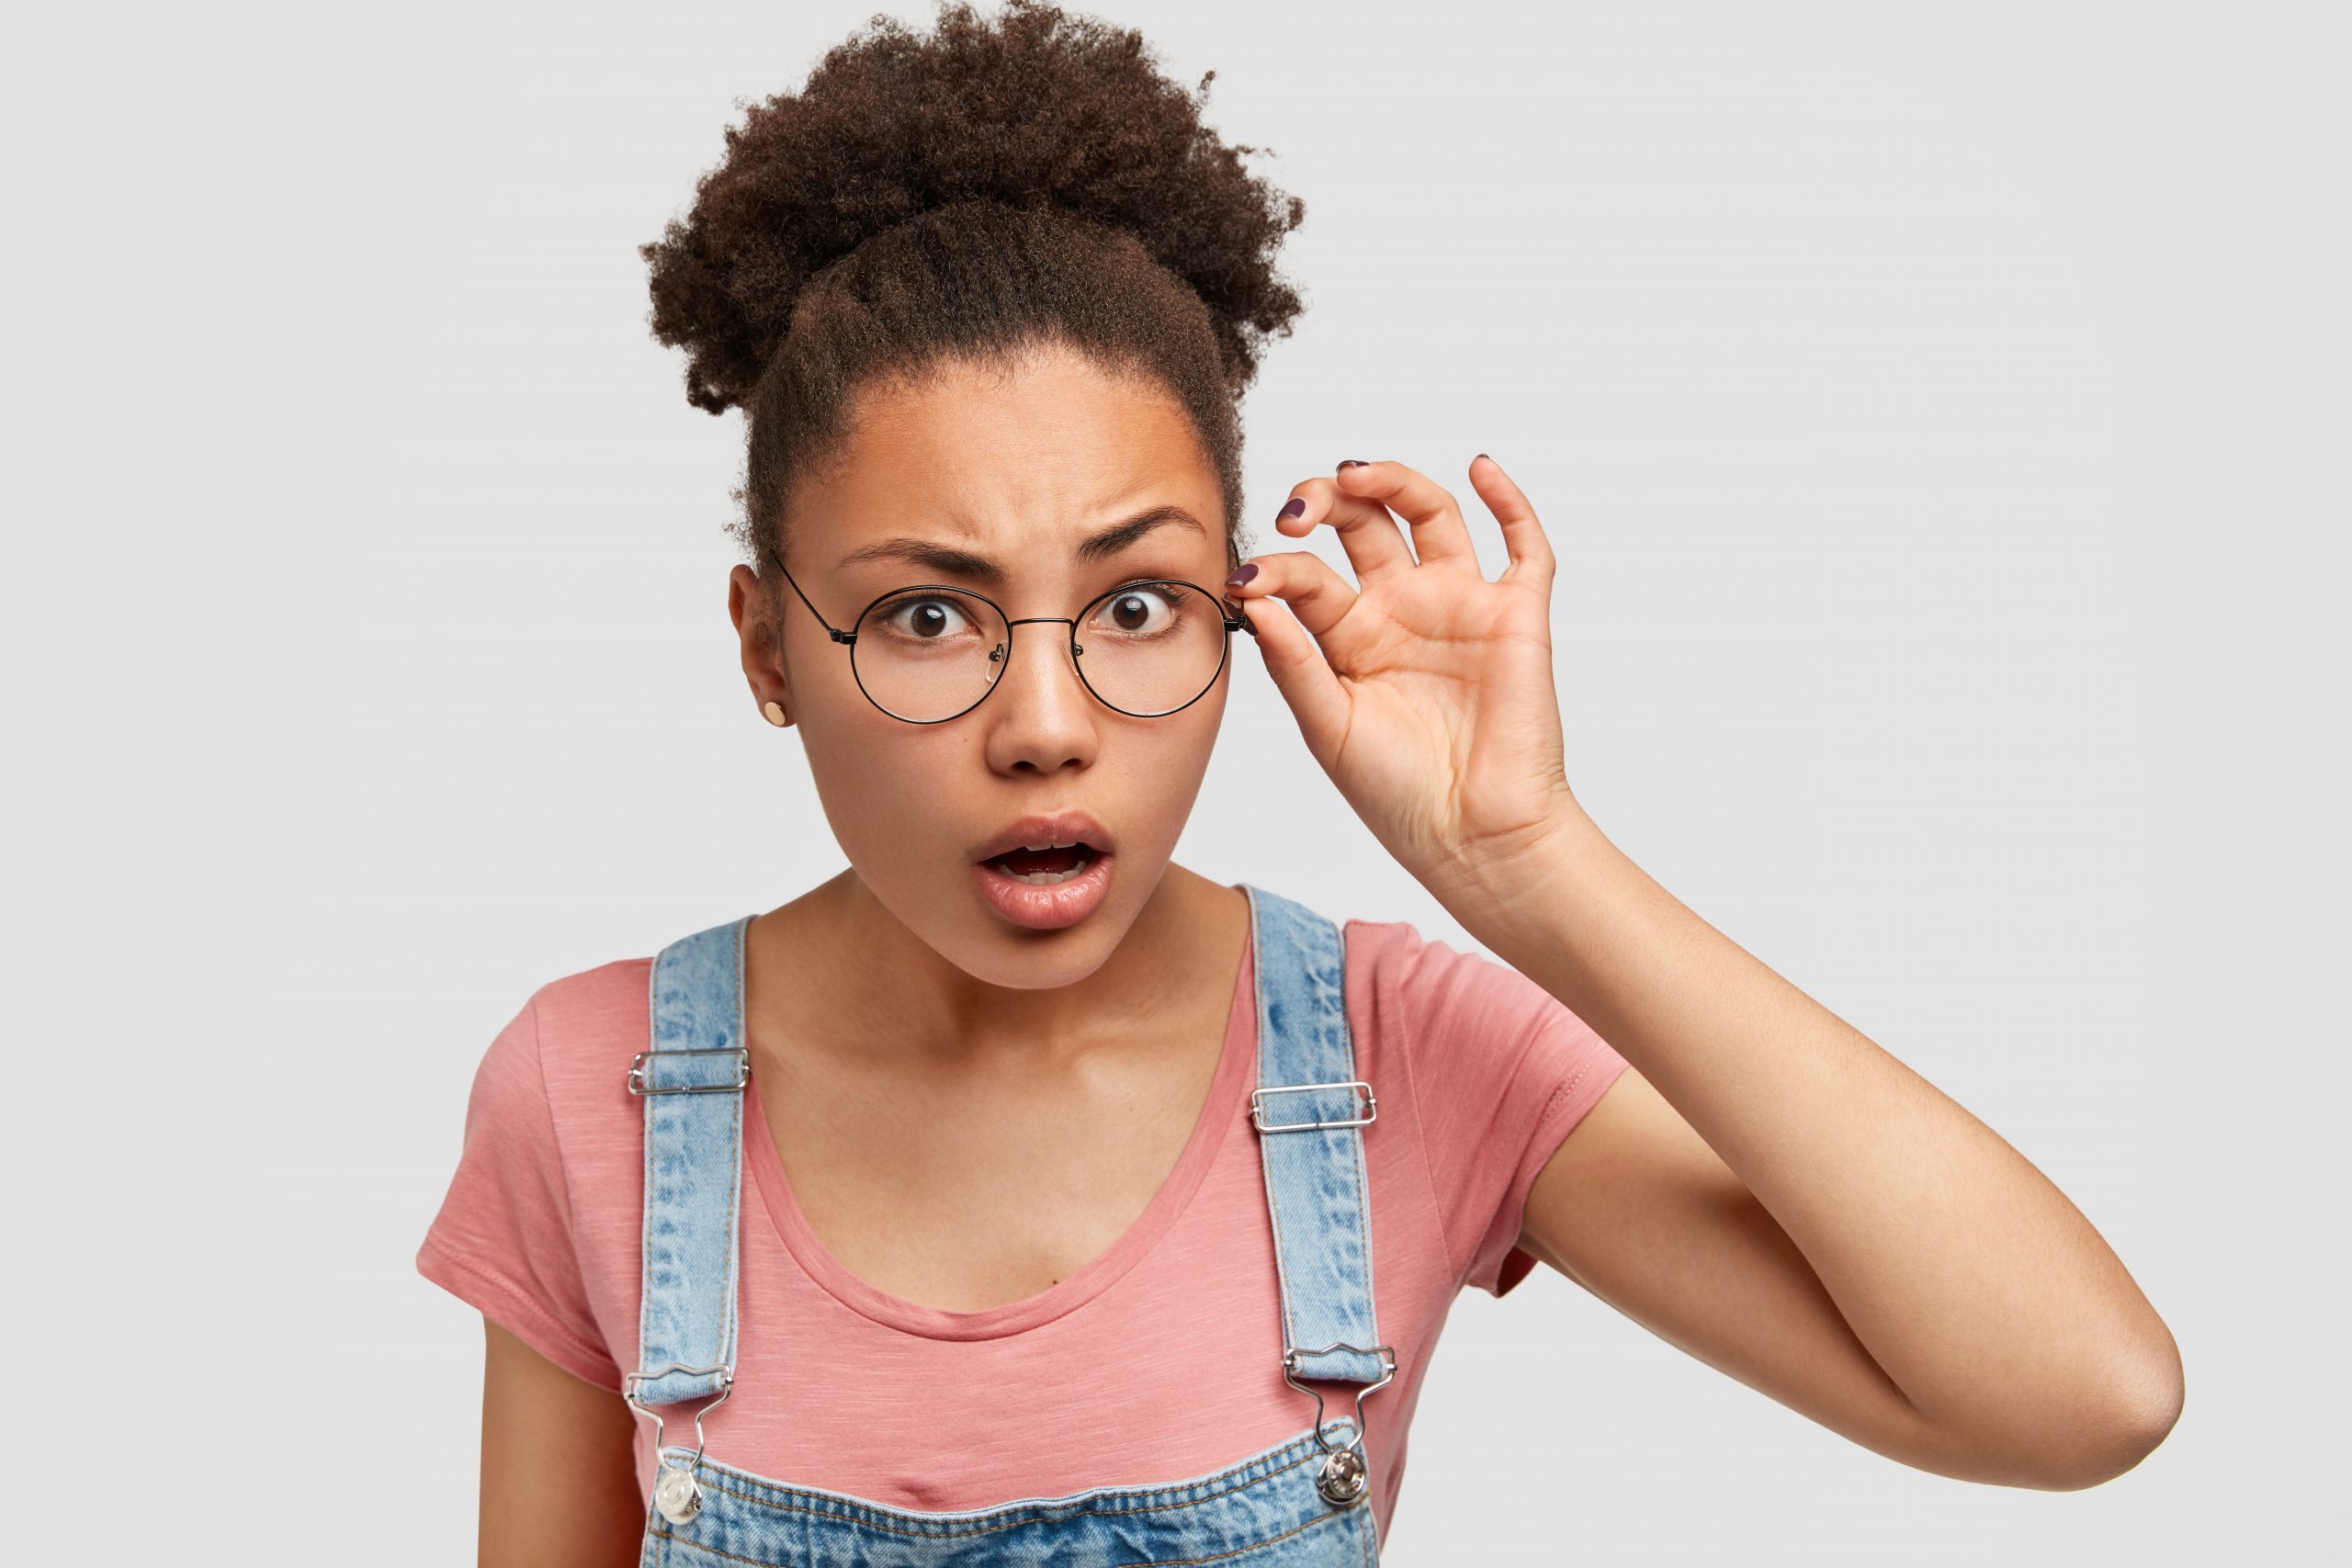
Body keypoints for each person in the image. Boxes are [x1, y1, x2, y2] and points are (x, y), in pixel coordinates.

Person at [415, 3, 2183, 1562]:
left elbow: (2080, 1397)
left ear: (1244, 614)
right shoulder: (594, 1096)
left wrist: (1528, 862)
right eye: (930, 613)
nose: (1048, 720)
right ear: (765, 647)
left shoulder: (1390, 1056)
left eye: (1134, 602)